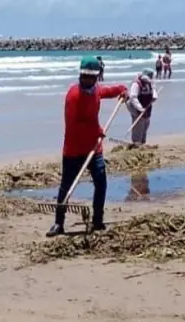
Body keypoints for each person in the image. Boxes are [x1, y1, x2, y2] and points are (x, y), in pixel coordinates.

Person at [46, 56, 128, 237]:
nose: (88, 80)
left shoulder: (95, 90)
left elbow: (107, 91)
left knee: (101, 182)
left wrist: (122, 90)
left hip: (94, 148)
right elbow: (74, 124)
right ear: (80, 75)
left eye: (92, 77)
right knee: (66, 186)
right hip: (74, 149)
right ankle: (59, 223)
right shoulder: (73, 96)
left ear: (97, 77)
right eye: (85, 76)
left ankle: (97, 220)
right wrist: (97, 130)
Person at [126, 68, 157, 144]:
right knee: (138, 125)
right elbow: (133, 97)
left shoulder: (150, 83)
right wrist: (140, 108)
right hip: (136, 108)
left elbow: (154, 91)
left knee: (146, 124)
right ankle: (136, 142)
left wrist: (154, 97)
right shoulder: (136, 84)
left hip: (147, 107)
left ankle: (143, 142)